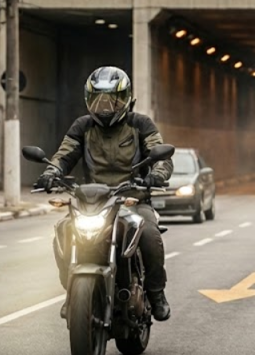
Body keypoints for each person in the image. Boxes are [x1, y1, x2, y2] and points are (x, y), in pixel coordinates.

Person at [35, 66, 173, 321]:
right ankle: (73, 293)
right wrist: (51, 172)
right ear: (88, 99)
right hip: (94, 201)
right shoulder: (83, 126)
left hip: (133, 199)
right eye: (98, 98)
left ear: (126, 98)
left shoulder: (140, 124)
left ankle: (156, 293)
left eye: (113, 98)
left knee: (150, 234)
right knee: (64, 230)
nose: (105, 106)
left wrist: (158, 173)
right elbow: (64, 154)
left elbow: (159, 154)